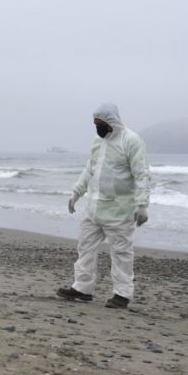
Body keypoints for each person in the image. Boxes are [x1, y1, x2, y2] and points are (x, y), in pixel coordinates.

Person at [57, 103, 151, 309]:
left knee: (121, 252)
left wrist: (142, 204)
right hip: (93, 207)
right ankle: (82, 288)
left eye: (100, 123)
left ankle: (122, 294)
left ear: (112, 122)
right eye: (95, 124)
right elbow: (89, 169)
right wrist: (76, 192)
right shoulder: (97, 142)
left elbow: (141, 174)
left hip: (119, 209)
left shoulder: (131, 141)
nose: (97, 127)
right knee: (85, 247)